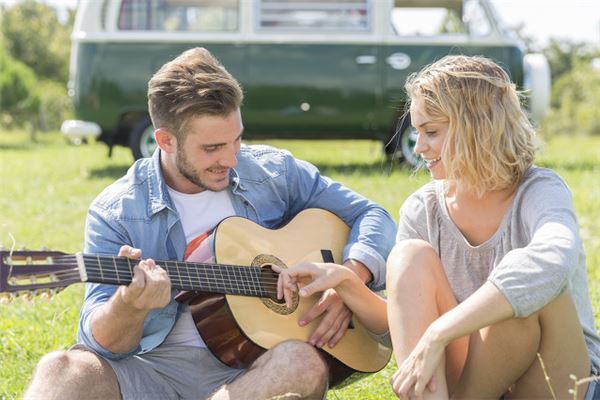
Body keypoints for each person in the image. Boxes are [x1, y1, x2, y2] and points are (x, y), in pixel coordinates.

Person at [24, 47, 396, 400]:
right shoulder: (117, 210)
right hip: (153, 369)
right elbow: (102, 344)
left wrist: (348, 278)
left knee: (302, 364)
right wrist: (130, 305)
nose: (232, 159)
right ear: (165, 141)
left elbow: (371, 215)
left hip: (251, 370)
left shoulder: (272, 171)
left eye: (236, 139)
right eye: (212, 149)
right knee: (61, 369)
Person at [279, 55, 600, 399]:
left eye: (431, 131)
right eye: (417, 132)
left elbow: (553, 258)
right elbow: (402, 319)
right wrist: (347, 281)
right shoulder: (424, 208)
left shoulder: (539, 191)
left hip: (557, 378)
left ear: (479, 127)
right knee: (407, 256)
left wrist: (440, 333)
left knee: (531, 294)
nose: (419, 147)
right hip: (477, 378)